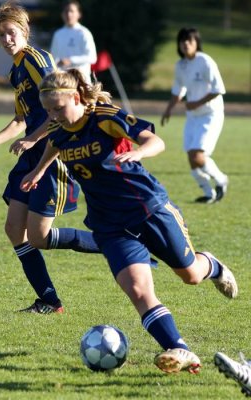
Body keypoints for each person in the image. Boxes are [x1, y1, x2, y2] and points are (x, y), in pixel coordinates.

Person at [20, 68, 238, 373]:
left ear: (77, 97)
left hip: (148, 209)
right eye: (49, 110)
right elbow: (54, 146)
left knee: (190, 275)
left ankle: (212, 265)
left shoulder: (105, 117)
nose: (54, 115)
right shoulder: (59, 130)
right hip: (108, 224)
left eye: (59, 108)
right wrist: (37, 171)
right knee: (137, 290)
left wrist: (138, 154)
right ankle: (179, 348)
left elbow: (155, 141)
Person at [0, 2, 100, 315]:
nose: (6, 39)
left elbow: (62, 104)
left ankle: (112, 241)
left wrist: (34, 138)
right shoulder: (15, 70)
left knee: (39, 236)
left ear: (24, 31)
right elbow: (20, 118)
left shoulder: (36, 60)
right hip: (31, 153)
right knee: (15, 229)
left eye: (11, 32)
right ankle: (49, 301)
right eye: (1, 35)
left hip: (53, 154)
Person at [161, 27, 228, 204]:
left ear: (197, 43)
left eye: (190, 40)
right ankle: (208, 193)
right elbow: (178, 91)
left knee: (198, 155)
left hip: (210, 114)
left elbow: (219, 89)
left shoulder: (205, 61)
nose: (186, 44)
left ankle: (221, 180)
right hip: (193, 116)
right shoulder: (180, 65)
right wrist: (168, 110)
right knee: (191, 159)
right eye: (182, 40)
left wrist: (196, 103)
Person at [50, 0, 97, 83]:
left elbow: (92, 57)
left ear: (79, 14)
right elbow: (53, 58)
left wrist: (70, 60)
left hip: (81, 81)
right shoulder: (58, 34)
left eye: (72, 11)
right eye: (66, 11)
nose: (69, 14)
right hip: (63, 83)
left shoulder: (84, 33)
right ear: (62, 14)